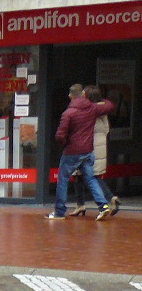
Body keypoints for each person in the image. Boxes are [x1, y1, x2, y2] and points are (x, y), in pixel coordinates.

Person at [49, 83, 114, 220]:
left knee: (63, 180)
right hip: (88, 150)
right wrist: (102, 100)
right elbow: (110, 106)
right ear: (83, 94)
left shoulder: (68, 113)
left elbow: (60, 135)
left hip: (72, 152)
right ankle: (103, 206)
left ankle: (59, 212)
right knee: (91, 179)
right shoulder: (93, 108)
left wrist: (66, 144)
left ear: (70, 96)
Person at [70, 86, 119, 218]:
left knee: (92, 176)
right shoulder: (103, 111)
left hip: (89, 147)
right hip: (100, 146)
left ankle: (109, 199)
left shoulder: (90, 110)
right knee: (80, 175)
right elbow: (106, 130)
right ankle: (80, 205)